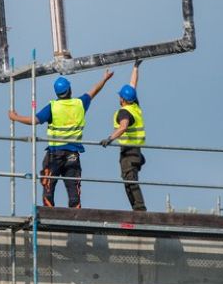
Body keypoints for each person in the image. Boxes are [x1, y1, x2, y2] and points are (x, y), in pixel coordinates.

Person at [9, 69, 114, 208]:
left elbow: (34, 120)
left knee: (48, 186)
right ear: (69, 90)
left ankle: (49, 214)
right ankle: (75, 216)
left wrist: (15, 117)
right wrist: (105, 78)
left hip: (55, 155)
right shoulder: (79, 104)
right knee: (73, 189)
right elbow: (94, 90)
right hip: (73, 155)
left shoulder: (53, 107)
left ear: (57, 93)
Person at [100, 59, 147, 211]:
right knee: (129, 180)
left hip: (129, 152)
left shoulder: (124, 112)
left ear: (123, 99)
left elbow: (123, 127)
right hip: (136, 151)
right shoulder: (134, 106)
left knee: (130, 180)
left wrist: (109, 139)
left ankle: (139, 210)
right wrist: (135, 67)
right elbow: (133, 85)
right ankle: (137, 209)